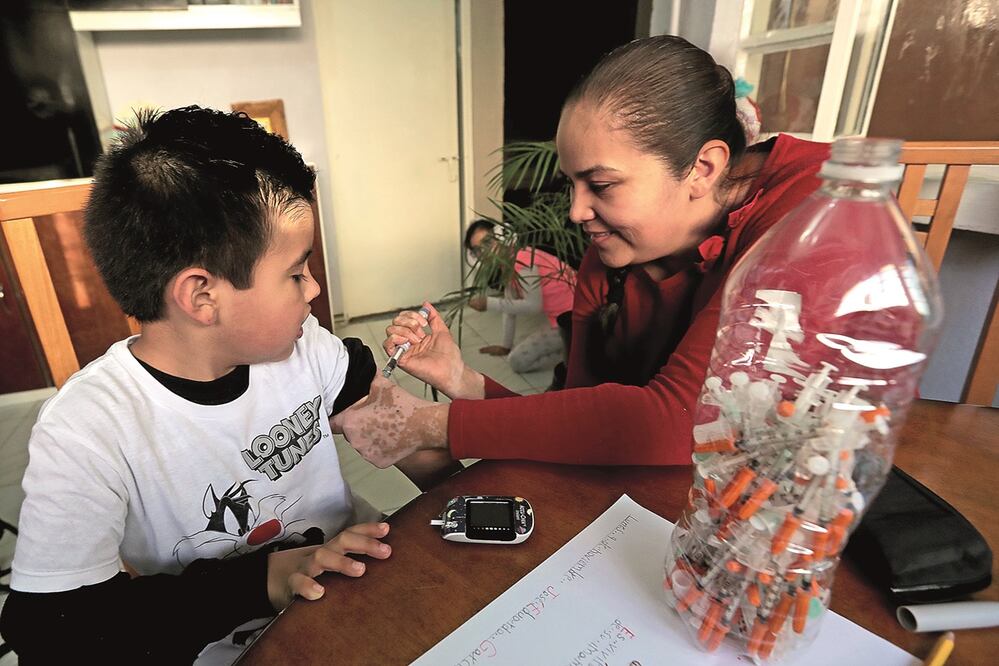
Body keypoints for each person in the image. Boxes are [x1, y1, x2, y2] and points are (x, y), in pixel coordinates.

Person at [0, 107, 440, 664]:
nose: (314, 289)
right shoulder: (89, 429)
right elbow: (50, 630)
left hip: (362, 600)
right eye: (296, 272)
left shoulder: (313, 351)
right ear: (201, 296)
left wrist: (461, 391)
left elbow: (425, 455)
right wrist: (265, 579)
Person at [333, 36, 832, 470]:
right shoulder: (611, 256)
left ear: (703, 168)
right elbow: (580, 422)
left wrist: (429, 424)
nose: (576, 212)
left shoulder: (815, 209)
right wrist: (460, 380)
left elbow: (678, 422)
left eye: (601, 184)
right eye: (572, 183)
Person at [464, 219, 576, 374]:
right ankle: (572, 346)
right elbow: (511, 304)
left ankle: (573, 349)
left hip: (576, 317)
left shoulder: (522, 260)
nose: (484, 252)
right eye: (477, 249)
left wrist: (488, 304)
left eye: (487, 242)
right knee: (516, 356)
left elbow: (533, 305)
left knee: (517, 361)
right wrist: (506, 345)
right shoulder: (509, 261)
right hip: (565, 316)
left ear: (500, 236)